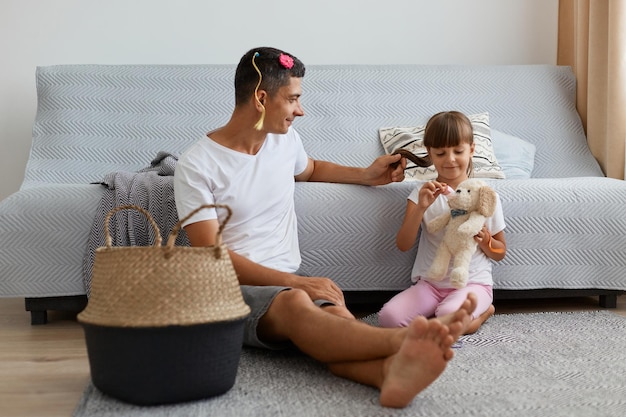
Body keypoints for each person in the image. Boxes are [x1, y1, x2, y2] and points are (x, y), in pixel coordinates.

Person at [174, 47, 478, 408]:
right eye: (292, 99)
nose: (300, 110)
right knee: (297, 305)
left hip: (286, 285)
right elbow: (212, 255)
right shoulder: (198, 165)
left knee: (335, 316)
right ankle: (404, 341)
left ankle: (388, 375)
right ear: (260, 98)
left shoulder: (284, 141)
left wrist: (366, 175)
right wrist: (299, 282)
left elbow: (312, 169)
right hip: (229, 292)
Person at [378, 111, 507, 334]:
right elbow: (403, 244)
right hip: (431, 285)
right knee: (388, 318)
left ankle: (484, 311)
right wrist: (421, 208)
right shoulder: (421, 193)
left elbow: (500, 252)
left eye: (458, 151)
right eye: (440, 153)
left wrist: (486, 242)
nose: (450, 160)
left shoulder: (485, 195)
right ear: (430, 152)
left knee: (447, 318)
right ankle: (449, 318)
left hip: (472, 284)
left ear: (472, 150)